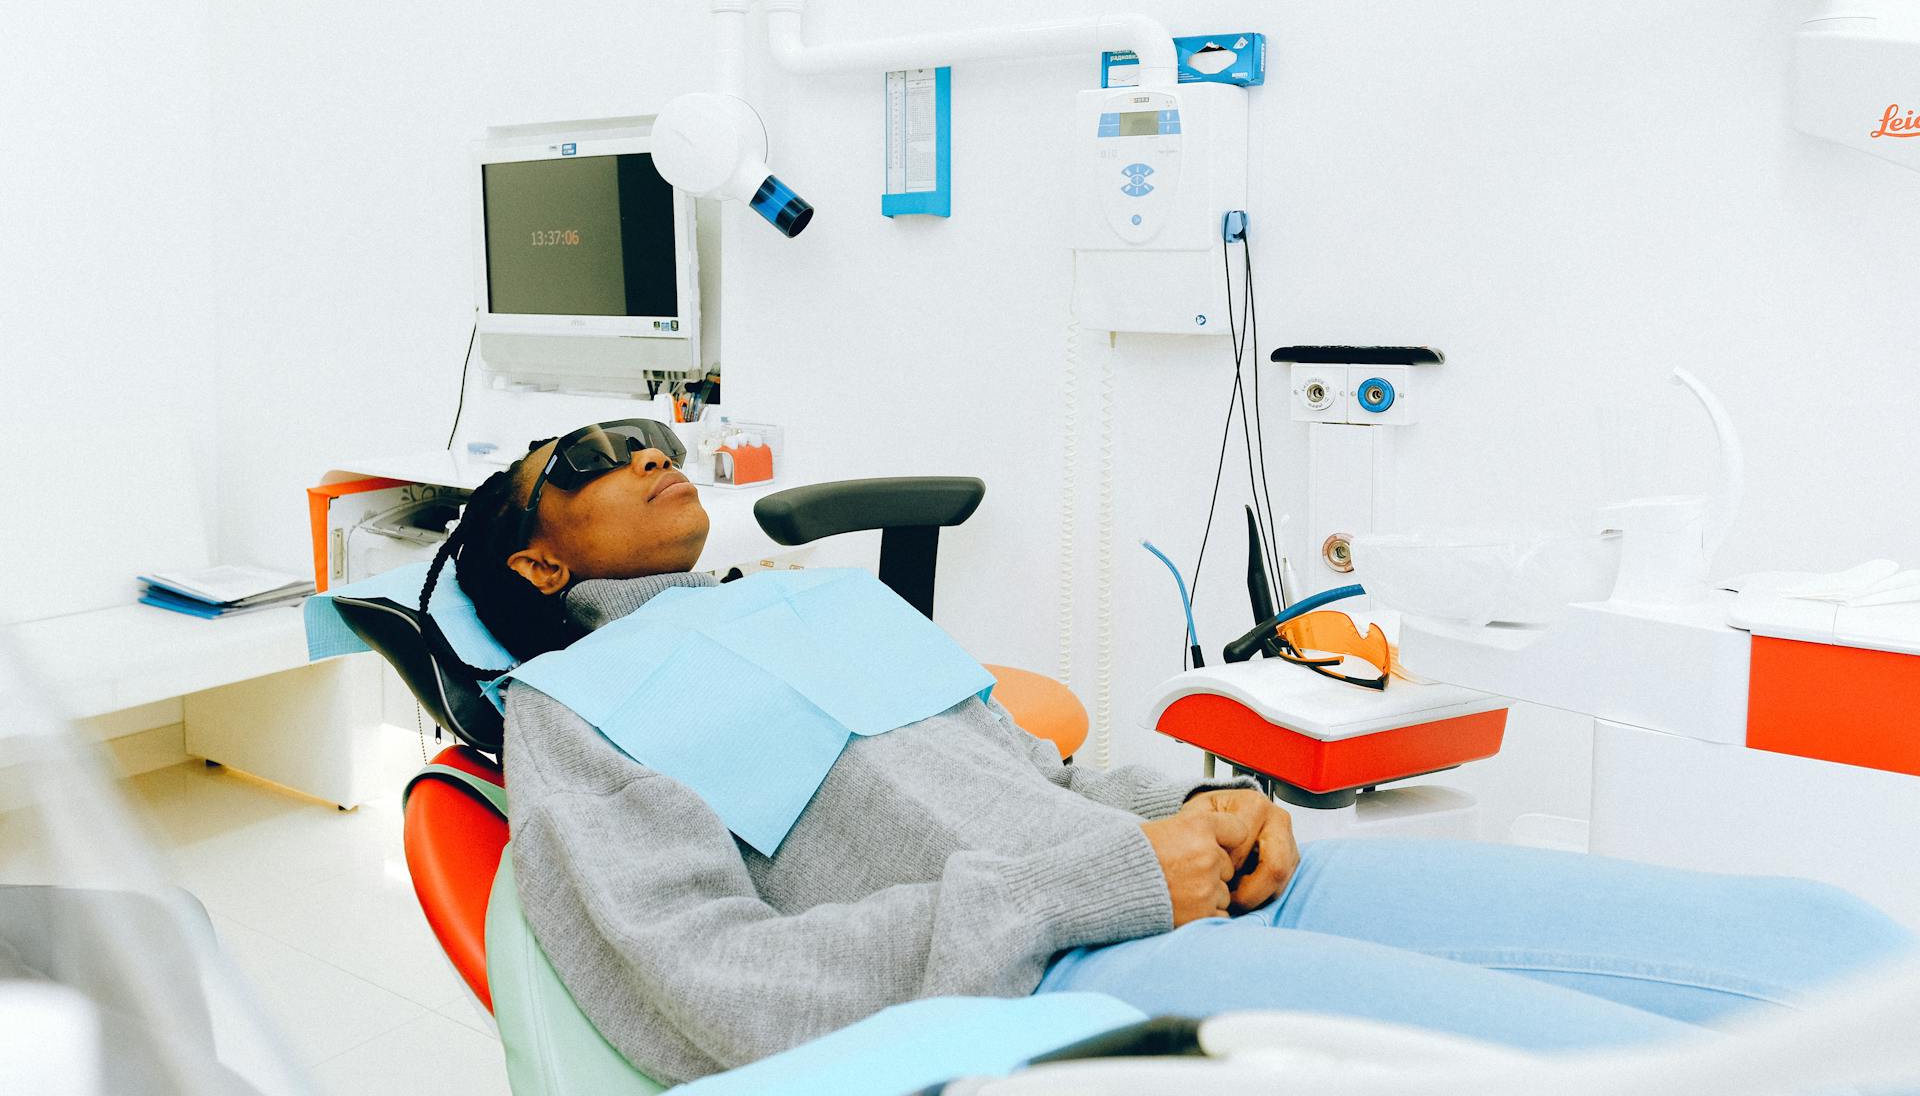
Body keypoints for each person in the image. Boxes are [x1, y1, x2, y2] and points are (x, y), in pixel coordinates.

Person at [426, 421, 1917, 1087]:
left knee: (1816, 940)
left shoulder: (824, 601)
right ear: (537, 567)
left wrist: (1206, 801)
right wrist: (1079, 895)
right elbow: (710, 987)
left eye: (645, 431)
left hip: (1217, 880)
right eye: (580, 458)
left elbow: (1043, 782)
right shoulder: (576, 714)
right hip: (1063, 973)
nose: (639, 450)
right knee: (1652, 1075)